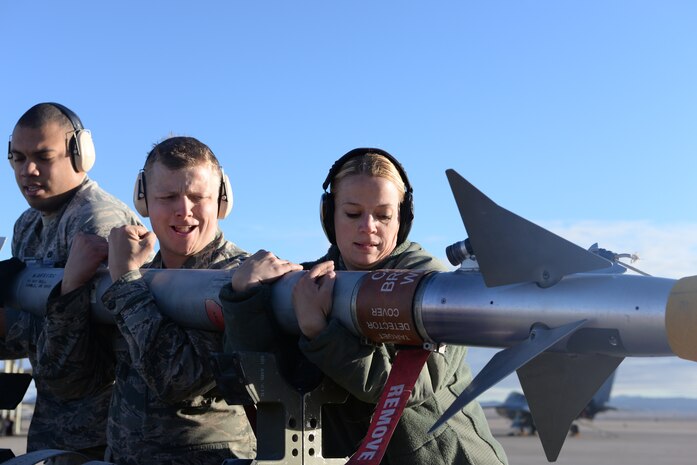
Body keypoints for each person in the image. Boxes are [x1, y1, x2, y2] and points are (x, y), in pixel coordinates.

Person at [221, 148, 509, 464]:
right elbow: (259, 375)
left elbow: (406, 389)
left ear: (402, 218)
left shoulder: (432, 285)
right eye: (353, 213)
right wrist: (245, 298)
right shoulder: (307, 282)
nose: (368, 226)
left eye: (383, 215)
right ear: (329, 215)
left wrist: (321, 333)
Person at [42, 136, 255, 464]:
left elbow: (177, 381)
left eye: (199, 197)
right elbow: (69, 381)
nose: (184, 211)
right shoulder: (140, 274)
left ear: (221, 201)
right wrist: (71, 288)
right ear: (143, 202)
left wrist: (126, 282)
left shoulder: (236, 278)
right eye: (168, 197)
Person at [0, 102, 142, 460]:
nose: (27, 170)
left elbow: (88, 348)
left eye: (43, 157)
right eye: (17, 158)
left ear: (80, 156)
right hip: (53, 427)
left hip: (99, 435)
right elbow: (39, 329)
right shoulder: (28, 225)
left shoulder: (97, 220)